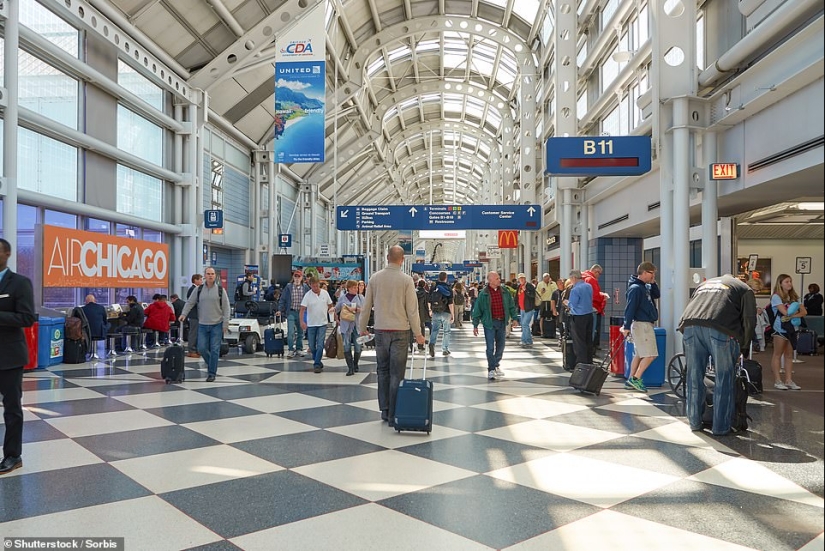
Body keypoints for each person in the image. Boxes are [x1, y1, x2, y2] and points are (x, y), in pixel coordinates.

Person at [678, 274, 757, 435]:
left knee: (694, 376)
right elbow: (749, 319)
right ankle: (720, 427)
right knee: (724, 378)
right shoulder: (744, 289)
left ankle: (694, 422)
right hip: (720, 330)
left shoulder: (704, 285)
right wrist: (744, 347)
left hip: (690, 325)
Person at [358, 245, 425, 426]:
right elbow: (412, 310)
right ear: (402, 260)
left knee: (382, 370)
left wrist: (361, 327)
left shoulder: (375, 278)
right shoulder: (406, 280)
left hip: (380, 330)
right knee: (397, 373)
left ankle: (384, 409)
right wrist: (418, 334)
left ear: (387, 257)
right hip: (401, 332)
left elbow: (366, 307)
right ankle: (394, 412)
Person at [0, 238, 37, 475]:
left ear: (7, 254)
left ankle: (13, 455)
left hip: (9, 356)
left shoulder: (20, 283)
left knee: (12, 408)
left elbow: (27, 318)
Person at [179, 267, 230, 382]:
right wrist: (183, 314)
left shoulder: (221, 290)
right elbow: (190, 303)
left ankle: (211, 373)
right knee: (201, 348)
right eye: (208, 274)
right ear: (204, 276)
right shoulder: (198, 290)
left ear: (215, 276)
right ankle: (211, 364)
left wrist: (225, 323)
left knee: (215, 349)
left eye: (212, 274)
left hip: (217, 324)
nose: (210, 276)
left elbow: (226, 308)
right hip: (202, 324)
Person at [621, 262, 660, 393]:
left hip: (643, 324)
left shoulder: (644, 287)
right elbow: (630, 308)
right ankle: (635, 379)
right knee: (650, 354)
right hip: (642, 324)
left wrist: (653, 282)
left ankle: (631, 378)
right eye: (651, 273)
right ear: (643, 273)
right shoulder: (636, 289)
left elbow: (657, 294)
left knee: (639, 354)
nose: (653, 275)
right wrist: (626, 326)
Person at [471, 271, 518, 380]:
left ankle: (496, 363)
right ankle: (491, 368)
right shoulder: (484, 294)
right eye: (497, 278)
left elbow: (511, 306)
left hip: (502, 322)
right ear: (490, 280)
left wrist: (514, 318)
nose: (499, 280)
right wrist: (475, 325)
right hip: (490, 323)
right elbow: (477, 310)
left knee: (501, 346)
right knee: (490, 347)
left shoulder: (505, 292)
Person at [770, 274, 807, 390]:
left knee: (789, 355)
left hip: (793, 329)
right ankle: (777, 380)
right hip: (780, 329)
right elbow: (785, 312)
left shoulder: (795, 297)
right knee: (777, 354)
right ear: (780, 283)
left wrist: (793, 314)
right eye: (786, 281)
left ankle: (789, 380)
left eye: (790, 281)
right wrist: (794, 313)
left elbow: (804, 312)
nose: (789, 284)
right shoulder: (776, 297)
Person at [300, 275, 334, 373]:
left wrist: (334, 316)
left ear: (319, 284)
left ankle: (316, 364)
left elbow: (330, 305)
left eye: (317, 286)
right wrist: (302, 321)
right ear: (310, 285)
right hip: (311, 324)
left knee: (320, 344)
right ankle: (318, 361)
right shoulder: (308, 295)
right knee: (312, 346)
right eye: (313, 286)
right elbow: (302, 309)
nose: (315, 288)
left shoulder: (325, 293)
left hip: (322, 323)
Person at [335, 279, 365, 376]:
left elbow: (364, 310)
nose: (356, 289)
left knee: (357, 347)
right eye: (354, 287)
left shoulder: (360, 297)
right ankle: (350, 367)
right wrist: (334, 314)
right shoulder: (343, 298)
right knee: (346, 346)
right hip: (345, 325)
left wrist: (356, 309)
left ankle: (355, 363)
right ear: (348, 288)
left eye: (356, 287)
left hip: (356, 325)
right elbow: (337, 308)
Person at [564, 270, 594, 367]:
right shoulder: (588, 286)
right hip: (589, 314)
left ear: (574, 278)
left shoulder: (575, 290)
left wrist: (566, 303)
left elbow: (573, 304)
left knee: (579, 341)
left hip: (578, 316)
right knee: (588, 339)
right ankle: (589, 361)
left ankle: (581, 363)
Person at [278, 270, 310, 358]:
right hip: (291, 311)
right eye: (295, 276)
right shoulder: (289, 287)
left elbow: (309, 298)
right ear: (293, 277)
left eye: (298, 277)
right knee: (290, 332)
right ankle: (291, 349)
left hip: (301, 312)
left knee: (300, 332)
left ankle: (299, 349)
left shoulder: (305, 287)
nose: (297, 278)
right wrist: (280, 309)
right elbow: (283, 299)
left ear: (301, 278)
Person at [582, 264, 609, 353]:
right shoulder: (591, 280)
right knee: (592, 331)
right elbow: (594, 295)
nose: (599, 276)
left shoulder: (584, 277)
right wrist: (602, 297)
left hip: (584, 309)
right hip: (593, 308)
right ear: (595, 271)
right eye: (599, 273)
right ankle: (590, 350)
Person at [428, 271, 454, 357]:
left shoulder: (433, 287)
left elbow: (429, 300)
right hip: (446, 312)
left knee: (435, 330)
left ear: (438, 277)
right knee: (446, 331)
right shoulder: (448, 288)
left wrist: (430, 310)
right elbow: (450, 303)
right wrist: (452, 314)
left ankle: (432, 344)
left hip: (435, 311)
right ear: (446, 278)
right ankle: (445, 349)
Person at [184, 274, 203, 358]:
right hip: (194, 315)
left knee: (197, 333)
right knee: (193, 333)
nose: (201, 281)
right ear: (195, 280)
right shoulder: (192, 289)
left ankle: (196, 349)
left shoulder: (197, 289)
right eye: (200, 279)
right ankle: (191, 350)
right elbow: (193, 302)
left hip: (199, 314)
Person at [516, 273, 537, 348]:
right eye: (520, 278)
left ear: (525, 279)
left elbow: (532, 295)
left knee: (525, 324)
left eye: (523, 278)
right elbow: (517, 297)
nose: (521, 279)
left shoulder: (530, 286)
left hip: (529, 308)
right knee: (524, 324)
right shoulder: (519, 287)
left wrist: (526, 291)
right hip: (522, 308)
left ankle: (525, 340)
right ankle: (528, 340)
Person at [415, 279, 430, 351]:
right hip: (422, 313)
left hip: (413, 312)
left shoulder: (413, 292)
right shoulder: (425, 293)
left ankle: (411, 345)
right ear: (424, 285)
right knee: (422, 328)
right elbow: (427, 305)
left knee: (412, 328)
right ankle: (421, 345)